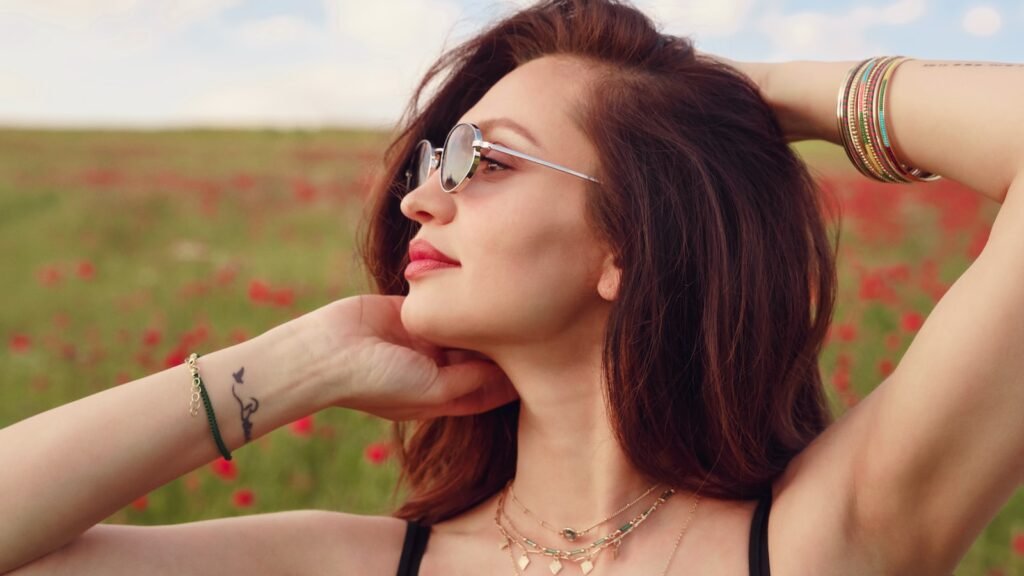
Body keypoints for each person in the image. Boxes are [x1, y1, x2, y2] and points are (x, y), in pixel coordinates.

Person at [2, 0, 1023, 574]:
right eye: (430, 161)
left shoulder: (824, 542)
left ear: (630, 237)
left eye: (484, 160)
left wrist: (749, 98)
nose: (418, 201)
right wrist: (296, 364)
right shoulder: (352, 565)